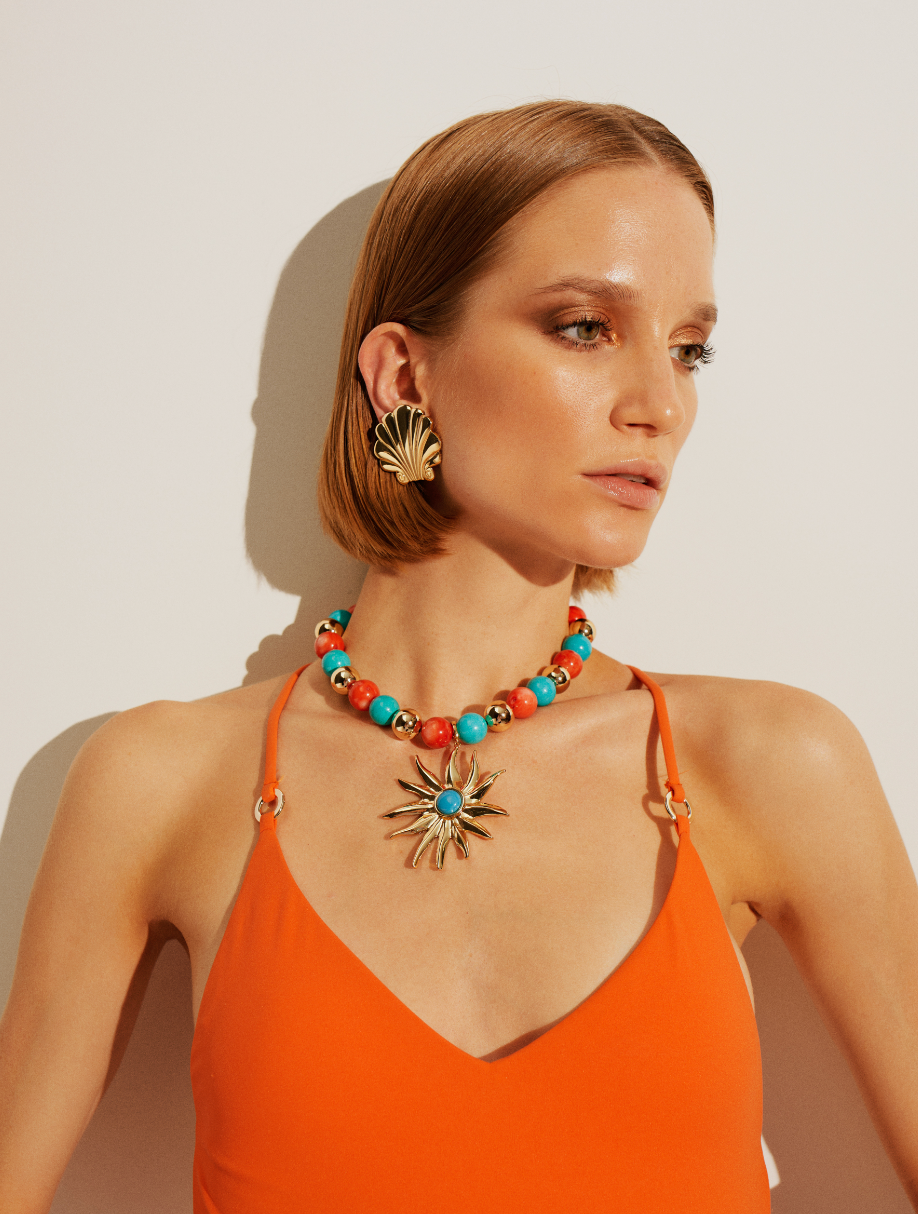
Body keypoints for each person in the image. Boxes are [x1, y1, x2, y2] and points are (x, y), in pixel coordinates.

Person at [1, 100, 916, 1213]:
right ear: (404, 375)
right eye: (584, 327)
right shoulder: (159, 782)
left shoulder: (772, 762)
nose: (661, 403)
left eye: (689, 349)